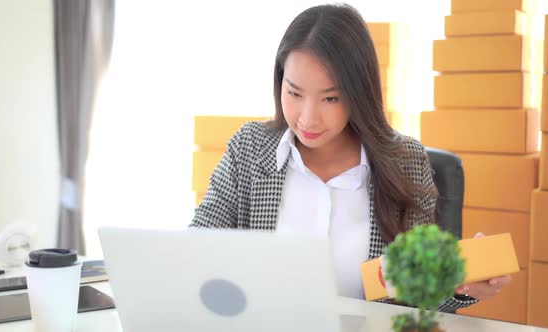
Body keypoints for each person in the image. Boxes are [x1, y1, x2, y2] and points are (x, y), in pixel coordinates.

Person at [190, 3, 511, 312]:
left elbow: (422, 295)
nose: (308, 118)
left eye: (330, 98)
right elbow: (197, 246)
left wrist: (460, 284)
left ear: (359, 93)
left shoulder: (405, 161)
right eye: (294, 93)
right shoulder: (250, 148)